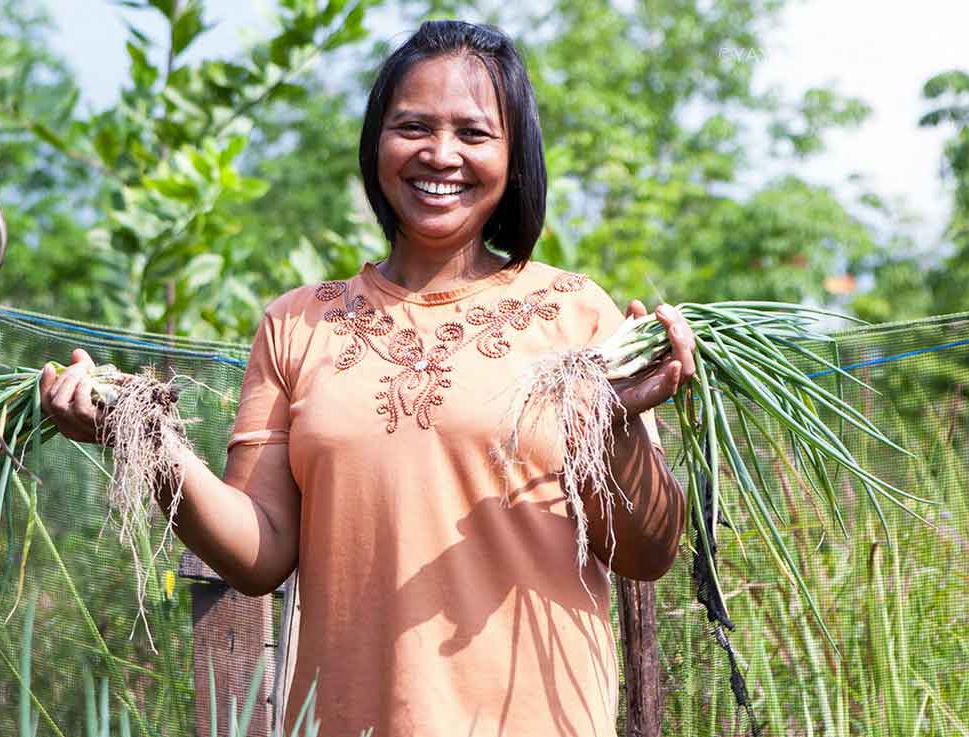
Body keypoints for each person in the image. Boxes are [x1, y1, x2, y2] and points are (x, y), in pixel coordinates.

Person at [41, 19, 693, 737]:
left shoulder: (574, 315)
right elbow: (257, 552)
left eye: (473, 134)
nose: (439, 154)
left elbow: (647, 551)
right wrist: (145, 441)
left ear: (514, 156)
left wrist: (618, 423)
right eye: (412, 126)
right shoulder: (296, 324)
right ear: (376, 143)